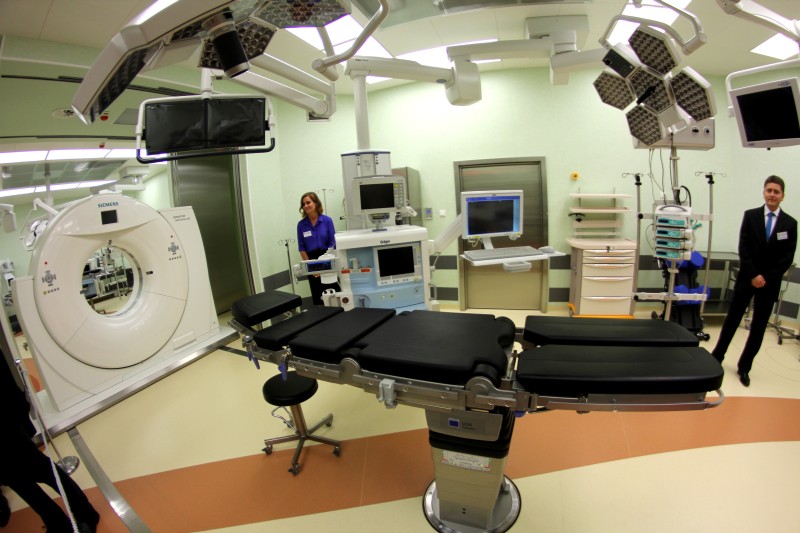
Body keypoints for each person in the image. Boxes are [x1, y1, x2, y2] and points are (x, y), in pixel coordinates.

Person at [0, 351, 100, 532]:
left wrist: (21, 418)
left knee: (41, 469)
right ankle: (57, 523)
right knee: (19, 483)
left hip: (6, 426)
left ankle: (85, 513)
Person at [712, 175, 797, 387]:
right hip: (747, 278)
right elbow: (744, 248)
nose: (772, 194)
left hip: (769, 283)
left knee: (758, 327)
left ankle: (745, 367)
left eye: (776, 191)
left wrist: (765, 278)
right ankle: (717, 357)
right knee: (732, 320)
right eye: (769, 190)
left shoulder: (790, 224)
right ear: (764, 192)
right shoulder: (751, 216)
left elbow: (787, 258)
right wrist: (753, 275)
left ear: (783, 196)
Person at [296, 192, 341, 306]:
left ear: (316, 203)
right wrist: (310, 268)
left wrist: (326, 262)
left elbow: (333, 243)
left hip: (327, 257)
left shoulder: (327, 220)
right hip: (311, 260)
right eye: (303, 204)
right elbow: (302, 248)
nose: (306, 206)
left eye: (308, 202)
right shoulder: (301, 225)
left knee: (332, 293)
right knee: (317, 295)